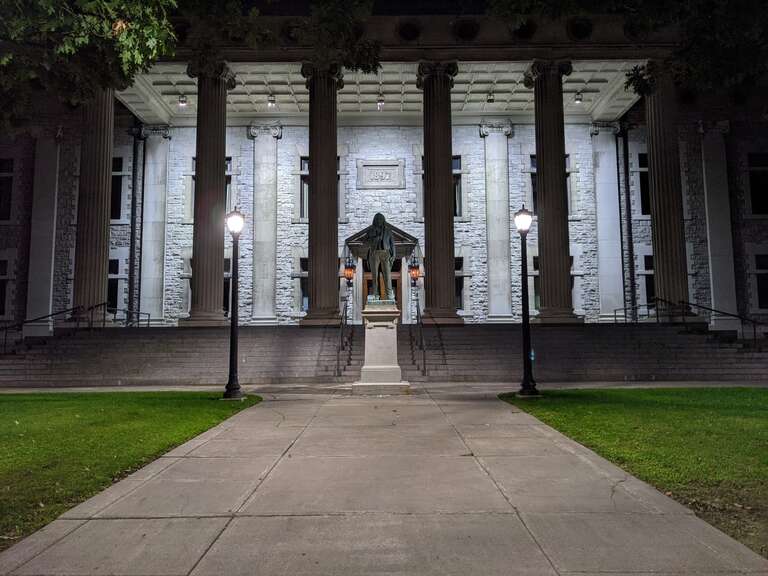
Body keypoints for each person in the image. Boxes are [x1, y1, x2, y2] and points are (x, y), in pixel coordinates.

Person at [365, 213, 396, 301]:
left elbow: (392, 243)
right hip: (374, 253)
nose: (379, 221)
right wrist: (375, 239)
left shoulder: (388, 230)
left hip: (385, 253)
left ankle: (389, 294)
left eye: (380, 219)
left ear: (383, 220)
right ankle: (375, 294)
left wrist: (393, 255)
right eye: (377, 219)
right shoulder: (371, 230)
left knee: (387, 275)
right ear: (375, 220)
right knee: (374, 275)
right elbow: (365, 242)